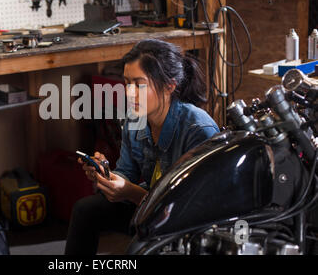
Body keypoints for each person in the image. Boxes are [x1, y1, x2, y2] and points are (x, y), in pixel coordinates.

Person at [64, 39, 220, 255]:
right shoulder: (134, 119)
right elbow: (127, 172)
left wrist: (129, 192)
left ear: (169, 86)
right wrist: (105, 174)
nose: (129, 92)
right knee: (85, 210)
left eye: (139, 84)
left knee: (138, 249)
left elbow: (189, 208)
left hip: (187, 222)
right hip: (149, 205)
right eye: (127, 83)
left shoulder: (198, 129)